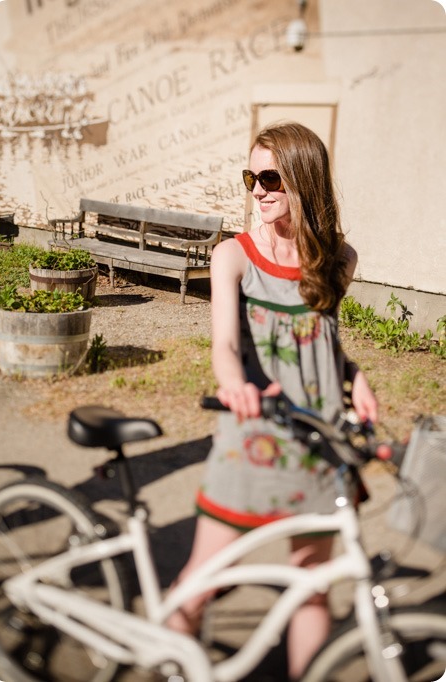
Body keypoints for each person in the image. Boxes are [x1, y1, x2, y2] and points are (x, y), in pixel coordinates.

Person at [167, 121, 378, 680]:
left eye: (270, 178)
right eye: (250, 177)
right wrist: (232, 384)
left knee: (313, 590)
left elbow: (324, 342)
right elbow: (225, 345)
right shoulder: (232, 256)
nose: (257, 190)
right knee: (204, 577)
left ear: (303, 182)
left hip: (319, 440)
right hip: (254, 434)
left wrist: (356, 378)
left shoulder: (339, 260)